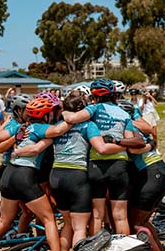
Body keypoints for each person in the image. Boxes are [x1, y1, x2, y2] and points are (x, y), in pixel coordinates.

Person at [14, 93, 126, 251]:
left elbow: (38, 147)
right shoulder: (88, 125)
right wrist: (125, 145)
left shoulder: (58, 126)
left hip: (56, 176)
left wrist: (17, 150)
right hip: (77, 177)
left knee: (67, 223)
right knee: (79, 227)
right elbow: (101, 148)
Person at [0, 98, 72, 251]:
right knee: (49, 219)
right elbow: (58, 130)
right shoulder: (41, 128)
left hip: (9, 173)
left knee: (4, 220)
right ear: (45, 115)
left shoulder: (23, 127)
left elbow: (2, 143)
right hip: (25, 176)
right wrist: (72, 117)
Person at [62, 78, 145, 236]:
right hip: (120, 165)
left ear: (94, 95)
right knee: (120, 216)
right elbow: (129, 141)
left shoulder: (94, 109)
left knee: (97, 214)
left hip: (96, 165)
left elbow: (70, 119)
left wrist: (64, 109)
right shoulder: (123, 113)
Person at [118, 101, 165, 251]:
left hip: (151, 174)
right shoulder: (138, 129)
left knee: (136, 223)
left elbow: (134, 150)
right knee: (143, 220)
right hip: (160, 171)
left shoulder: (128, 130)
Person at [139, 90, 160, 154]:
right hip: (146, 116)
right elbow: (141, 108)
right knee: (146, 134)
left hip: (152, 116)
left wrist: (150, 96)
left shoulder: (151, 100)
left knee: (154, 134)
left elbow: (156, 103)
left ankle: (156, 148)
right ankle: (148, 148)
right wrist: (144, 99)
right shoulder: (141, 100)